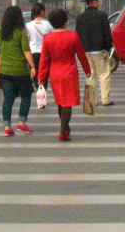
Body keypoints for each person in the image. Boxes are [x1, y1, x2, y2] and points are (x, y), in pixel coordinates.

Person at [38, 8, 91, 141]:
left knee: (61, 102)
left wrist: (41, 77)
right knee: (67, 102)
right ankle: (63, 130)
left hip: (55, 73)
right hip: (70, 72)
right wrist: (87, 70)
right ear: (64, 22)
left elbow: (44, 60)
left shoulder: (47, 38)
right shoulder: (73, 36)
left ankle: (65, 128)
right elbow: (81, 55)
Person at [0, 6, 36, 136]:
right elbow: (26, 51)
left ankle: (7, 127)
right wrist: (32, 66)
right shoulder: (21, 32)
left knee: (8, 99)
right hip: (20, 71)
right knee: (26, 96)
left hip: (4, 71)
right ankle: (22, 123)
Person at [76, 0, 114, 106]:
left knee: (90, 75)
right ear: (95, 2)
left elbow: (77, 34)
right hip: (99, 50)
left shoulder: (80, 17)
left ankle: (92, 99)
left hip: (86, 50)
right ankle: (105, 99)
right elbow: (107, 33)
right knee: (104, 74)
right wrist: (108, 48)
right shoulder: (102, 15)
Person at [25, 3, 54, 96]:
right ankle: (43, 92)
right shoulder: (48, 25)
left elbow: (27, 40)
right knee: (44, 75)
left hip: (33, 53)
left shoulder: (28, 25)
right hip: (45, 53)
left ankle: (39, 92)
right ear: (42, 12)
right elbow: (52, 39)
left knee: (35, 75)